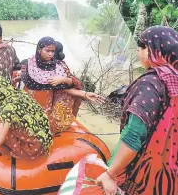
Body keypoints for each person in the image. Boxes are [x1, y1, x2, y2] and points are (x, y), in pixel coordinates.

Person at [96, 26, 178, 195]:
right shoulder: (174, 78)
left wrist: (110, 174)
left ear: (151, 51)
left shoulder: (149, 84)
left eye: (141, 47)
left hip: (145, 174)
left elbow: (134, 135)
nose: (138, 51)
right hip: (170, 170)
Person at [21, 37, 103, 134]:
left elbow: (63, 89)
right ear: (39, 50)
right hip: (28, 101)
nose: (51, 54)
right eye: (47, 50)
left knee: (42, 130)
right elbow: (25, 80)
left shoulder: (57, 68)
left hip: (45, 106)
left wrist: (84, 94)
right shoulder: (29, 63)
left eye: (52, 51)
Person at [0, 76, 53, 159]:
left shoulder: (8, 108)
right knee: (2, 123)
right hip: (44, 139)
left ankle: (15, 153)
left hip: (34, 148)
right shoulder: (20, 93)